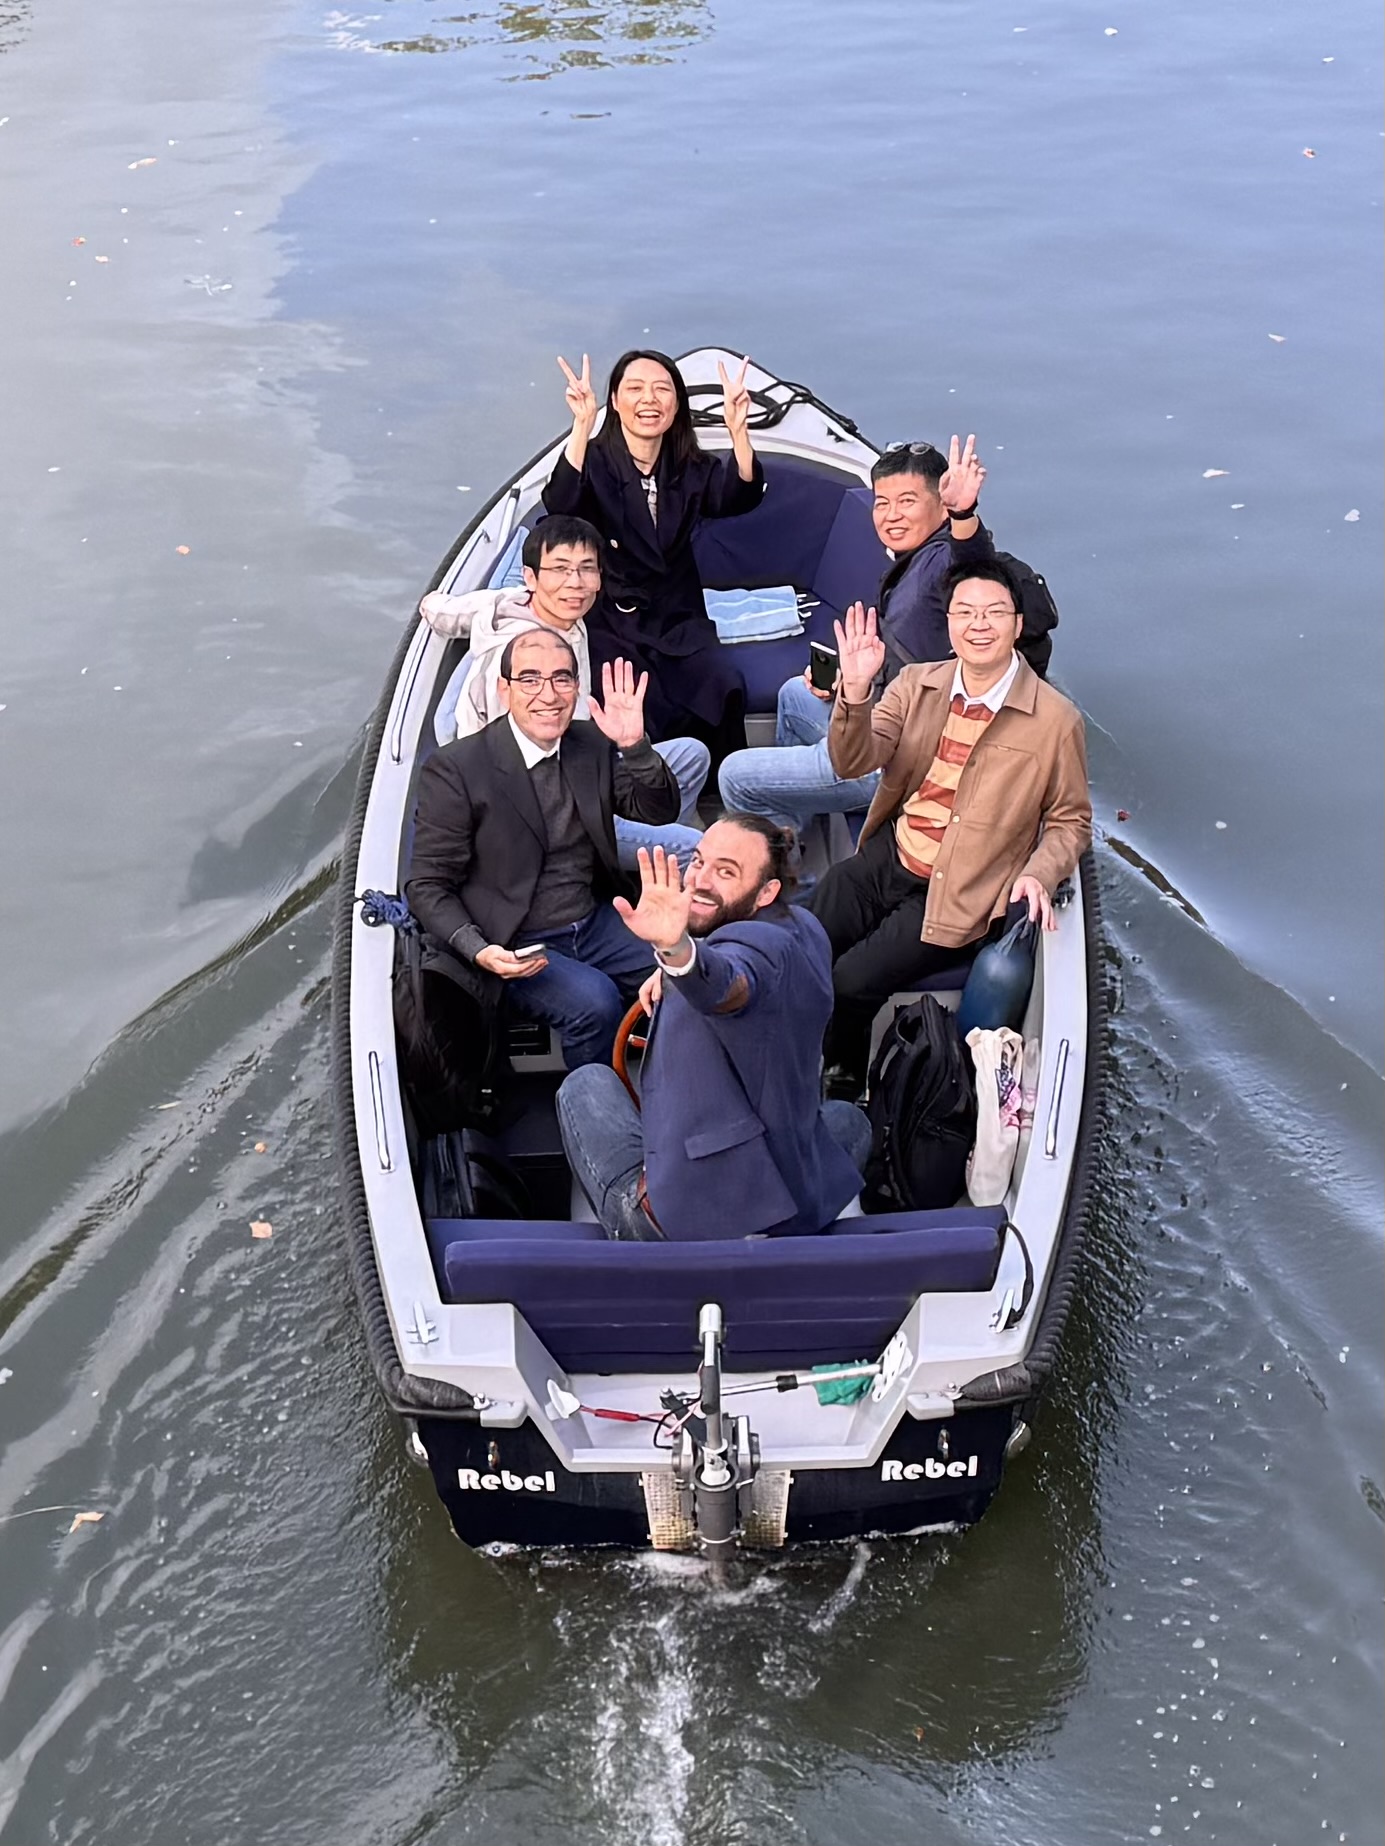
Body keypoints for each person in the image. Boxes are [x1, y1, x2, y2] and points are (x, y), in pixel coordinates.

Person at [806, 561, 1092, 1097]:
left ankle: (842, 1078)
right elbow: (853, 761)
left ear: (1017, 622)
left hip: (959, 893)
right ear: (949, 623)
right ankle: (789, 1044)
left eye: (993, 612)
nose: (978, 624)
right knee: (804, 936)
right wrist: (856, 693)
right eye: (964, 612)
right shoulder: (916, 684)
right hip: (892, 855)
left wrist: (1040, 873)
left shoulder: (1056, 721)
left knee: (851, 979)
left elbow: (1070, 820)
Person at [555, 823, 871, 1242]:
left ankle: (630, 1238)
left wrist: (678, 954)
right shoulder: (805, 928)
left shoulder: (750, 956)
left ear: (766, 892)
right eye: (699, 861)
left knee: (585, 1083)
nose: (699, 881)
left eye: (726, 872)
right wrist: (671, 967)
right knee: (849, 1119)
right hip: (793, 1202)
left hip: (685, 1224)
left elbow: (727, 984)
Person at [405, 630, 679, 1069]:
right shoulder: (457, 768)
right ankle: (597, 1108)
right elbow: (426, 885)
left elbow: (658, 809)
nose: (548, 695)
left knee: (683, 970)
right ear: (504, 689)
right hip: (515, 940)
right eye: (530, 679)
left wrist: (635, 746)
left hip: (592, 920)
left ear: (576, 685)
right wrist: (478, 949)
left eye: (561, 679)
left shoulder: (589, 744)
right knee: (597, 1004)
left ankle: (677, 1084)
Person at [716, 435, 996, 846]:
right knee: (796, 694)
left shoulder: (943, 562)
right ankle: (790, 835)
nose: (891, 515)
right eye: (882, 502)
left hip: (896, 763)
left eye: (908, 501)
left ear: (941, 506)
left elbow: (976, 572)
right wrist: (847, 684)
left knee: (735, 775)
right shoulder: (911, 562)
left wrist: (965, 514)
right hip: (882, 722)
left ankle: (779, 877)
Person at [418, 514, 708, 866]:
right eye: (559, 569)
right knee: (696, 849)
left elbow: (452, 613)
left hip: (582, 765)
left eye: (587, 568)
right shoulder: (521, 663)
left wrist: (430, 604)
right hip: (545, 810)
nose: (575, 583)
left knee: (692, 755)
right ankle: (634, 869)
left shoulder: (511, 601)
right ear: (531, 577)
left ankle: (644, 870)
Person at [541, 349, 766, 765]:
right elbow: (560, 504)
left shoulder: (689, 466)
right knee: (638, 700)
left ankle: (726, 789)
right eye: (636, 388)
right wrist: (581, 425)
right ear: (615, 400)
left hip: (677, 616)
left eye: (662, 389)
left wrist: (739, 433)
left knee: (723, 683)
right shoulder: (593, 460)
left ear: (677, 405)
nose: (650, 399)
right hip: (612, 619)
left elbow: (738, 495)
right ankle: (651, 801)